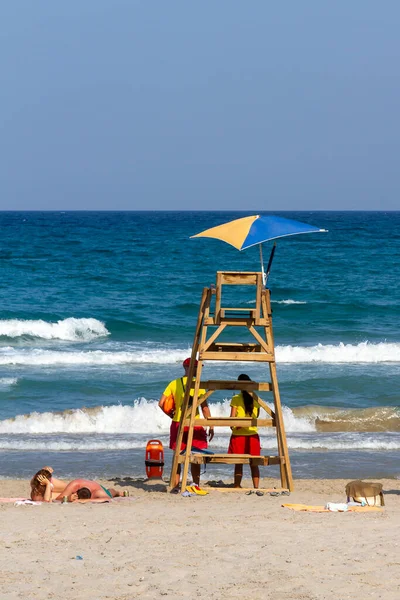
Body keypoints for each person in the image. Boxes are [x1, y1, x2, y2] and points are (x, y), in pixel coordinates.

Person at [158, 357, 214, 489]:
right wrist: (211, 425)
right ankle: (195, 484)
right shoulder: (199, 385)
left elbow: (161, 403)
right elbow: (204, 407)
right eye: (197, 367)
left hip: (178, 423)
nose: (198, 370)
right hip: (194, 424)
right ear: (190, 368)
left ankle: (176, 485)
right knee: (195, 456)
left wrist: (171, 414)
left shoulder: (174, 383)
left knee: (178, 456)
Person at [228, 374, 262, 489]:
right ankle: (256, 487)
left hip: (238, 435)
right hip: (252, 435)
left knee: (239, 463)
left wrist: (234, 426)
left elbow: (232, 419)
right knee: (254, 464)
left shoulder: (236, 398)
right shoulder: (256, 399)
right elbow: (257, 415)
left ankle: (237, 485)